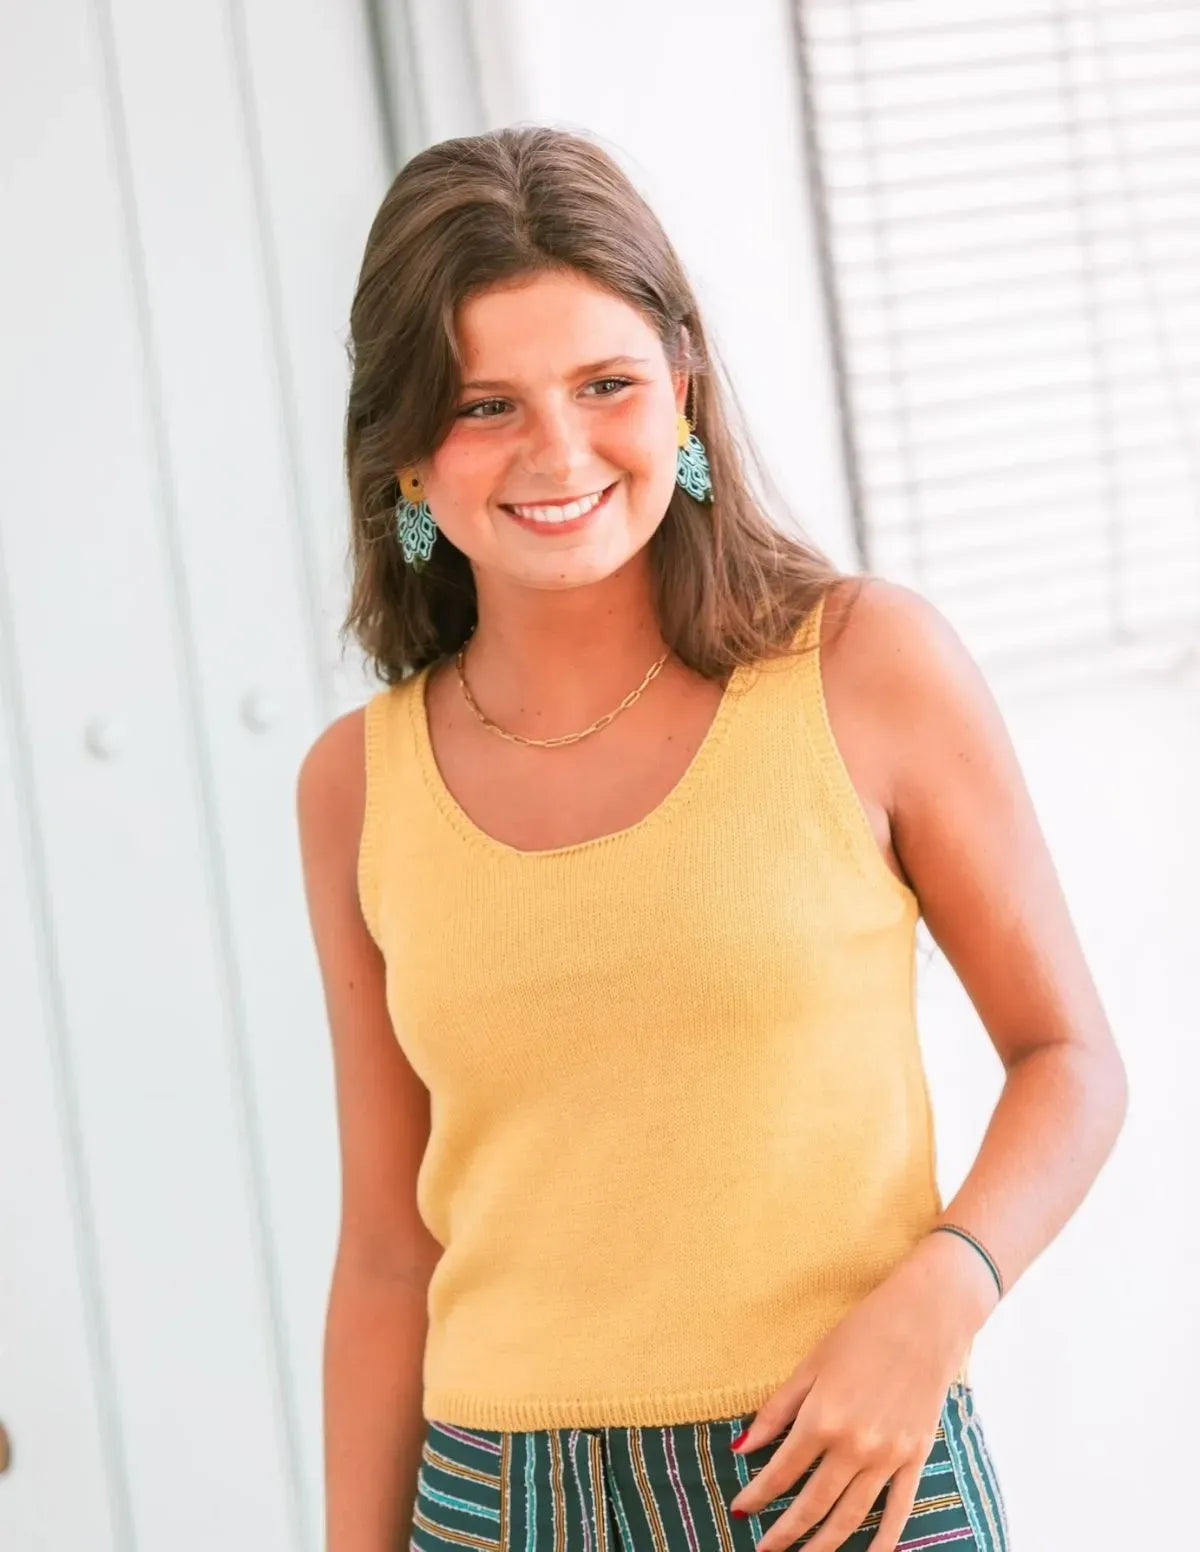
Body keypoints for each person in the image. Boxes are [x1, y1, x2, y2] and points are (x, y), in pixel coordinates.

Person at [296, 125, 1127, 1552]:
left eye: (604, 384)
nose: (558, 451)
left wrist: (944, 1292)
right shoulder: (356, 786)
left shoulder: (865, 668)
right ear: (407, 455)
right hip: (494, 1505)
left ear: (681, 390)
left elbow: (1071, 1061)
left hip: (844, 1470)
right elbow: (386, 1251)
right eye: (486, 405)